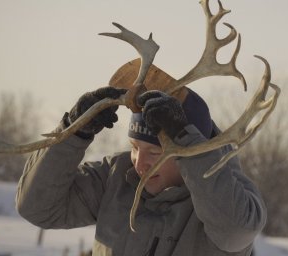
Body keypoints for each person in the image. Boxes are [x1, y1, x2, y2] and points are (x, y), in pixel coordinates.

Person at [15, 60, 267, 256]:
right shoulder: (116, 176)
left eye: (156, 153)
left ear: (187, 150)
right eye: (135, 147)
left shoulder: (232, 198)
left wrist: (185, 138)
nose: (140, 163)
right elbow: (38, 208)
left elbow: (236, 231)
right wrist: (74, 132)